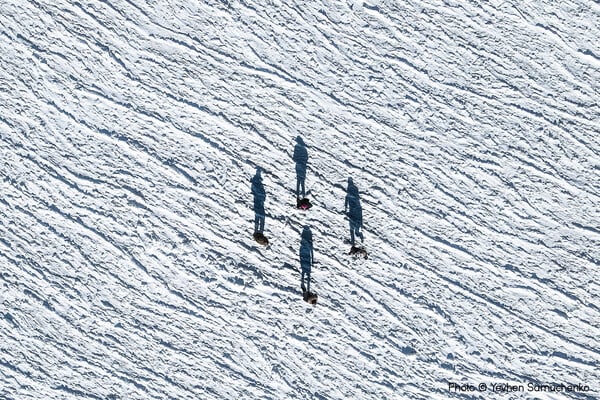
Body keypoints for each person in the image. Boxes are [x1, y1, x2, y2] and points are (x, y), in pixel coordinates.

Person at [345, 177, 363, 245]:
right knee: (354, 226)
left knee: (351, 227)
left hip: (352, 209)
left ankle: (353, 241)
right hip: (356, 209)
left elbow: (347, 198)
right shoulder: (355, 188)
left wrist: (346, 207)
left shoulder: (349, 188)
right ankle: (358, 234)